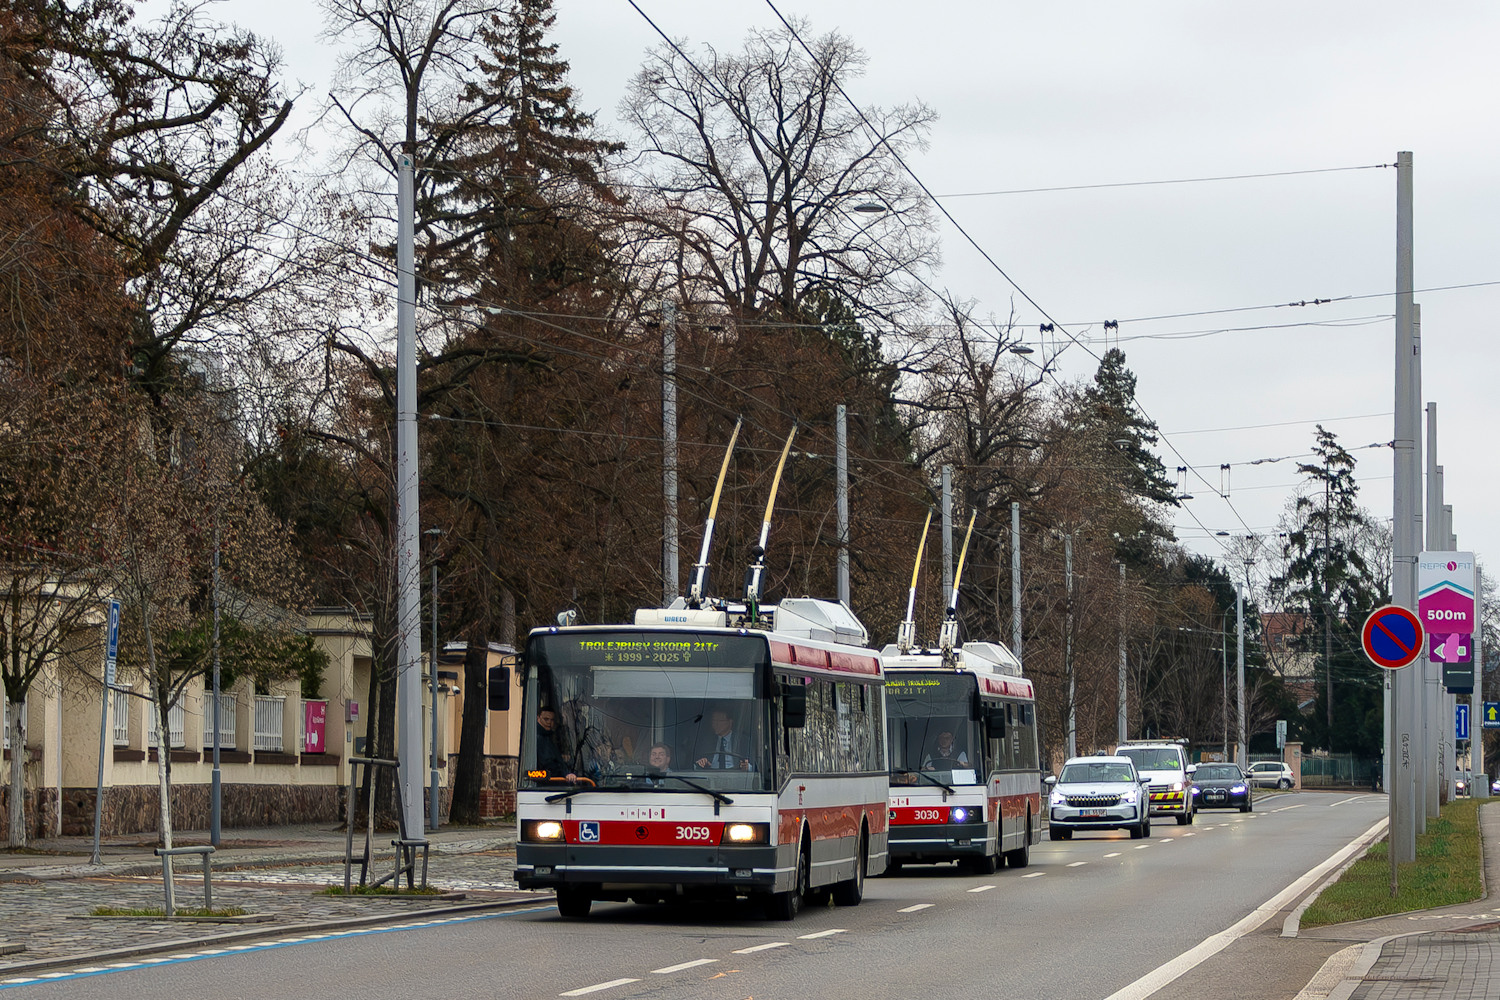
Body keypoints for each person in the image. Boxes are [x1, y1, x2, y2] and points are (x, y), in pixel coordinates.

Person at [535, 708, 576, 781]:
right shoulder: (539, 738)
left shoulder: (549, 736)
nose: (549, 723)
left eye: (552, 720)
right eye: (546, 719)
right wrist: (565, 773)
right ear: (538, 718)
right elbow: (548, 763)